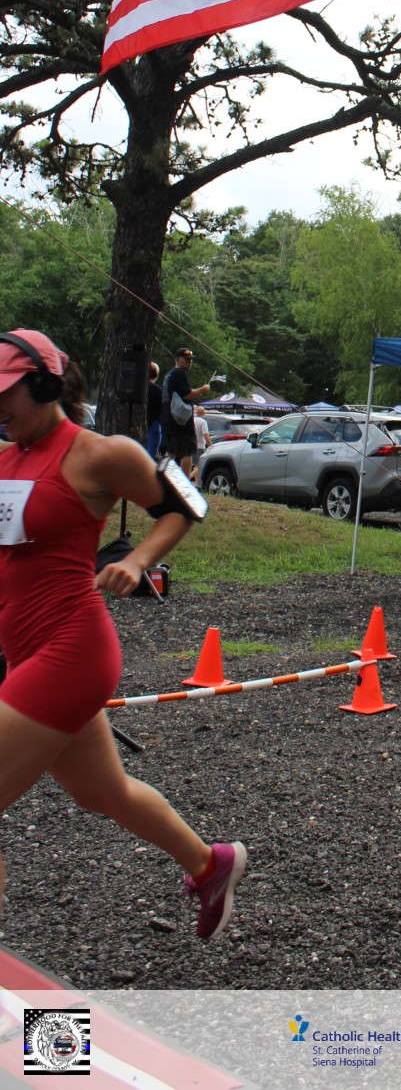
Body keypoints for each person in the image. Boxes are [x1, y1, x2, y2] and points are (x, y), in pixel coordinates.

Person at [0, 328, 245, 938]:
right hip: (25, 651)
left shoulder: (101, 453)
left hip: (71, 650)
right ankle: (210, 864)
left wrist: (137, 561)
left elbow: (186, 505)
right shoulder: (6, 459)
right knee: (102, 791)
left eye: (6, 393)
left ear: (43, 385)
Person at [161, 347, 212, 479]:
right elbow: (187, 394)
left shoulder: (168, 375)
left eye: (191, 360)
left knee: (171, 452)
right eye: (187, 359)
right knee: (186, 452)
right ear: (177, 360)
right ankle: (185, 482)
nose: (190, 362)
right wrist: (202, 390)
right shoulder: (179, 373)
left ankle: (162, 478)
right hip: (181, 421)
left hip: (168, 420)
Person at [145, 362, 163, 460]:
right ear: (156, 375)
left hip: (140, 424)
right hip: (154, 424)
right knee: (151, 454)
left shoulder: (139, 389)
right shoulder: (157, 390)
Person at [192, 406, 212, 482]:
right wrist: (210, 445)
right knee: (199, 466)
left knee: (195, 465)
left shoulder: (192, 420)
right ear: (203, 413)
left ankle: (197, 484)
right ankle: (188, 477)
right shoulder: (203, 422)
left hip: (192, 445)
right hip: (200, 446)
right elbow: (205, 434)